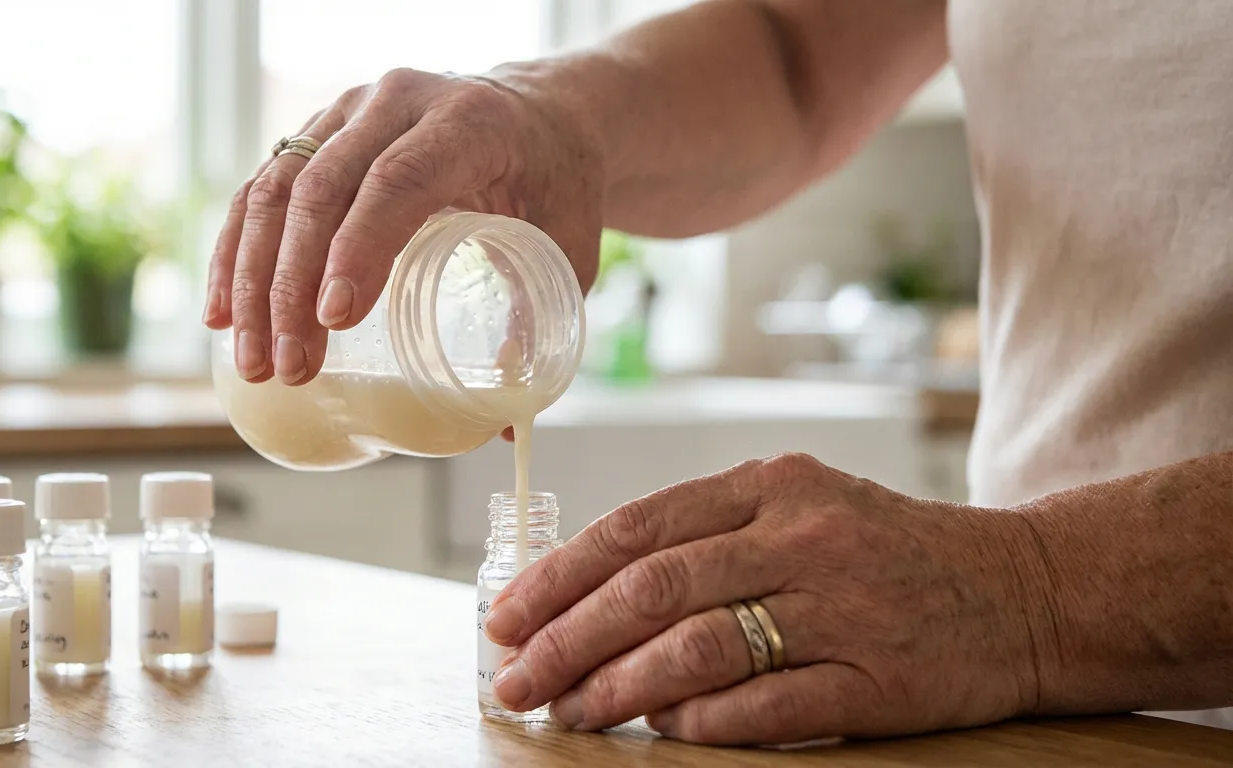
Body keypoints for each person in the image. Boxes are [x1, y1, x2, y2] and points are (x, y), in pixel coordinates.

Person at [203, 0, 1233, 746]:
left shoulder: (1011, 609)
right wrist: (558, 114)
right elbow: (798, 52)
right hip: (1034, 721)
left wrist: (1029, 591)